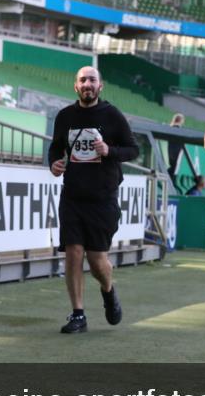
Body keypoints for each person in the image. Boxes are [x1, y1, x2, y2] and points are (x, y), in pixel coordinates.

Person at [49, 66, 140, 334]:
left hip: (103, 198)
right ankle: (78, 314)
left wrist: (109, 150)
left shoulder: (112, 115)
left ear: (100, 86)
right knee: (73, 252)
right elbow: (56, 147)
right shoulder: (65, 116)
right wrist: (53, 164)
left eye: (92, 80)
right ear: (76, 86)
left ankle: (108, 290)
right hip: (72, 196)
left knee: (97, 260)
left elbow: (133, 149)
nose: (87, 84)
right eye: (82, 80)